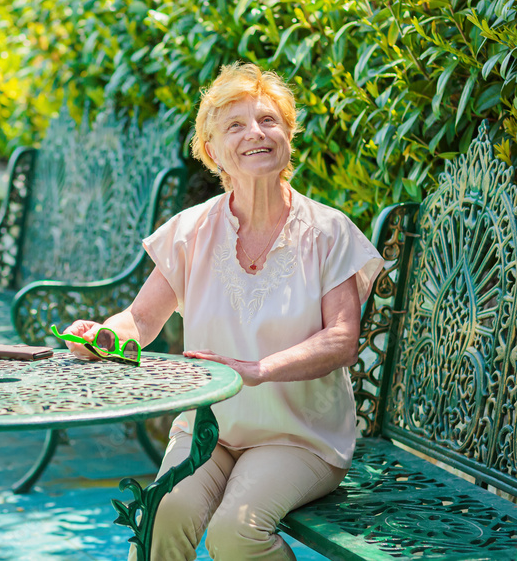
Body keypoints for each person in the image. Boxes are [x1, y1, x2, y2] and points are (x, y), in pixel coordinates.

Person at [61, 62, 383, 560]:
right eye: (235, 125)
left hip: (296, 434)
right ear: (213, 152)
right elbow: (141, 321)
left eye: (269, 121)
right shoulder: (191, 231)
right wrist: (104, 336)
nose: (256, 133)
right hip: (207, 428)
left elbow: (341, 338)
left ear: (288, 137)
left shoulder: (328, 231)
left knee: (237, 534)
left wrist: (258, 370)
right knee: (158, 519)